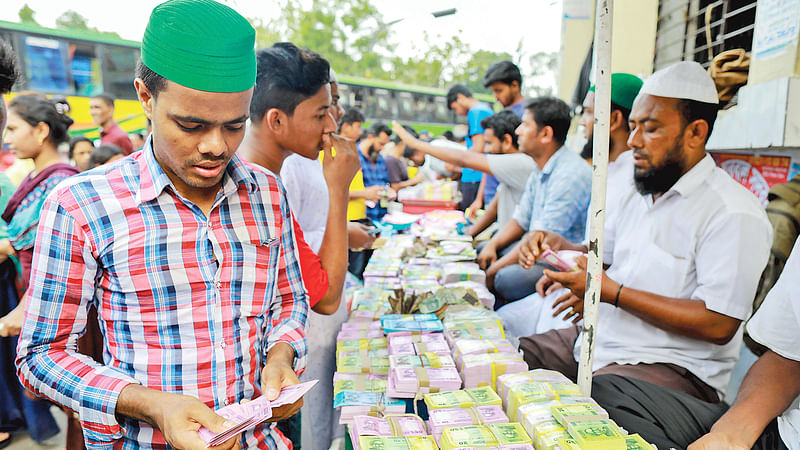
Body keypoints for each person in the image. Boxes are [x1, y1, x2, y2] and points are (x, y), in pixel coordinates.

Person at [15, 2, 308, 449]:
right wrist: (152, 405)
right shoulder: (81, 205)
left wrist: (281, 357)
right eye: (191, 125)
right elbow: (40, 357)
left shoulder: (267, 193)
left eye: (233, 126)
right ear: (146, 98)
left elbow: (289, 300)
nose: (216, 146)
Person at [517, 63, 772, 447]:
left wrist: (610, 292)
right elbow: (605, 263)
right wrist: (564, 256)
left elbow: (719, 324)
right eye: (633, 125)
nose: (633, 140)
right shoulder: (632, 191)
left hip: (676, 371)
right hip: (603, 341)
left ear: (696, 132)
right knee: (511, 359)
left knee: (599, 404)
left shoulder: (733, 212)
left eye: (649, 128)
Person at [236, 43, 360, 449]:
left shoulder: (262, 177)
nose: (331, 125)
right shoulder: (259, 187)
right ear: (276, 120)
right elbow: (325, 297)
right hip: (258, 391)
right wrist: (339, 189)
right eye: (321, 113)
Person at [497, 73, 643, 337]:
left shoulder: (638, 181)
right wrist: (563, 248)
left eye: (588, 113)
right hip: (586, 282)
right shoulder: (607, 172)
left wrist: (584, 283)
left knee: (522, 335)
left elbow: (624, 265)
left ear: (614, 120)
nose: (584, 123)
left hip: (609, 303)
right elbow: (599, 250)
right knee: (503, 322)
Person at [0, 94, 80, 446]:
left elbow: (61, 261)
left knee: (76, 406)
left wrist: (25, 307)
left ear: (42, 130)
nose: (7, 137)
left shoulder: (62, 184)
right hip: (31, 299)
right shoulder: (37, 178)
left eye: (14, 128)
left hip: (54, 309)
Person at [684, 238, 800, 450]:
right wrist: (730, 435)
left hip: (682, 371)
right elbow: (788, 359)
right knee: (615, 395)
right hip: (789, 439)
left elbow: (719, 324)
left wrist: (617, 294)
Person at [476, 97, 591, 307]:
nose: (518, 130)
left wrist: (492, 273)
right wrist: (492, 246)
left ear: (546, 134)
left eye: (525, 125)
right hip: (534, 250)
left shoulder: (570, 175)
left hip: (557, 260)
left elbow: (540, 242)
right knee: (485, 248)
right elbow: (521, 220)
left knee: (505, 279)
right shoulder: (540, 167)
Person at [393, 110, 532, 236]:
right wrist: (468, 237)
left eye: (489, 143)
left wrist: (415, 143)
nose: (484, 149)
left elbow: (464, 159)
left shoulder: (520, 163)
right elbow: (494, 208)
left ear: (507, 141)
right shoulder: (509, 170)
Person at [446, 84, 494, 211]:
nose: (457, 113)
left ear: (460, 98)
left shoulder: (476, 112)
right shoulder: (485, 109)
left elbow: (478, 147)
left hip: (475, 175)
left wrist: (456, 164)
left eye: (455, 108)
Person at [357, 122, 395, 222]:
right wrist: (366, 193)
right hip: (360, 219)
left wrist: (389, 191)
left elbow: (385, 183)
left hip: (380, 217)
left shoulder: (380, 159)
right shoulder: (353, 157)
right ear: (370, 137)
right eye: (380, 144)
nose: (382, 148)